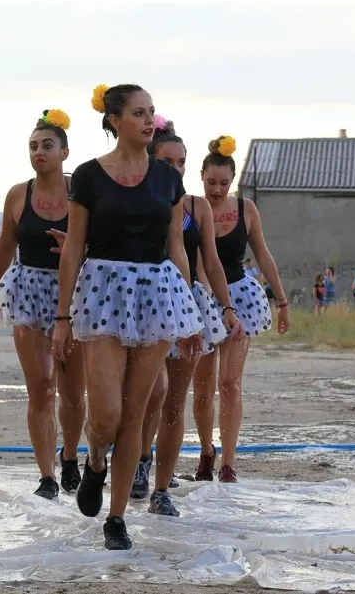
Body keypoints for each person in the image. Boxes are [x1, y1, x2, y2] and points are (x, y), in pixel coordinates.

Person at [51, 83, 204, 550]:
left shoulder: (168, 179)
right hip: (102, 292)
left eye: (151, 112)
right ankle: (95, 458)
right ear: (114, 120)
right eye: (138, 112)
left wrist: (189, 313)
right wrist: (61, 317)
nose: (147, 120)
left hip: (157, 293)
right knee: (107, 414)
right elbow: (74, 248)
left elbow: (177, 246)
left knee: (136, 412)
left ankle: (116, 518)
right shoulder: (88, 176)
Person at [134, 116, 242, 516]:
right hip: (142, 303)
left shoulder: (196, 206)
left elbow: (210, 260)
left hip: (188, 301)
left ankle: (161, 488)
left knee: (174, 401)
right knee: (148, 395)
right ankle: (139, 458)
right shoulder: (133, 197)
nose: (176, 169)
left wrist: (226, 307)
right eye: (167, 162)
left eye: (181, 162)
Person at [0, 109, 87, 502]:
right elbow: (4, 246)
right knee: (40, 388)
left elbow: (102, 242)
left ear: (64, 152)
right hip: (27, 291)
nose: (38, 152)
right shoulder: (17, 194)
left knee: (73, 392)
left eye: (47, 145)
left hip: (73, 294)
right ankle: (46, 475)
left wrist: (79, 249)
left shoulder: (82, 192)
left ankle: (70, 456)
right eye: (32, 146)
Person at [192, 134, 289, 484]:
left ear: (232, 181)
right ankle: (206, 451)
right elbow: (198, 261)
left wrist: (282, 300)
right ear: (201, 178)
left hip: (241, 297)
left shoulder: (246, 209)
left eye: (223, 183)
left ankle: (229, 463)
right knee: (203, 389)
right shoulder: (191, 209)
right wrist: (211, 303)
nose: (217, 190)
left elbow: (262, 253)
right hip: (202, 298)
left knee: (230, 382)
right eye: (211, 182)